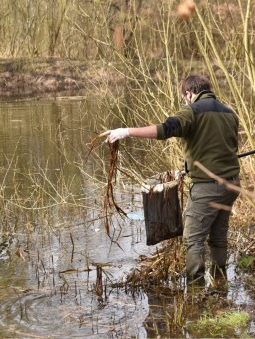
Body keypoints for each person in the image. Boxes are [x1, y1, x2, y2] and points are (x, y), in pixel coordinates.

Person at [101, 74, 240, 283]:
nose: (184, 101)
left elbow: (165, 129)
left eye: (184, 98)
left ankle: (195, 290)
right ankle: (220, 285)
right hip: (232, 184)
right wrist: (189, 167)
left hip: (208, 188)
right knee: (218, 237)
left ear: (189, 93)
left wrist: (127, 132)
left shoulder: (192, 111)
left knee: (193, 240)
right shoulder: (229, 113)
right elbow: (219, 148)